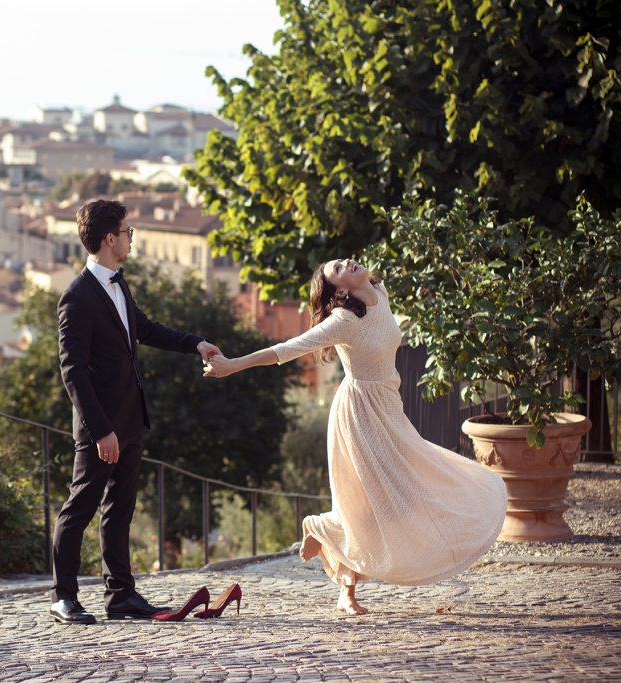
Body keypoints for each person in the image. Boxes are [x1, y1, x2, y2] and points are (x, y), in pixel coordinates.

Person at [203, 258, 506, 615]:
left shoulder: (380, 291)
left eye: (341, 261)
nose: (346, 263)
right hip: (359, 412)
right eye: (337, 270)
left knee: (404, 492)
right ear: (340, 291)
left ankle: (325, 531)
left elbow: (391, 332)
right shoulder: (344, 321)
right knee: (367, 502)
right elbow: (287, 349)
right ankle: (341, 575)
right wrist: (233, 365)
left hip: (388, 406)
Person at [50, 198, 222, 625]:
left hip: (130, 419)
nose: (131, 239)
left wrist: (195, 343)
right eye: (128, 232)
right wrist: (100, 430)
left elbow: (143, 329)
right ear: (110, 239)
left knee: (119, 512)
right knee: (79, 509)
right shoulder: (76, 298)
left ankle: (120, 596)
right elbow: (72, 371)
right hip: (101, 428)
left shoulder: (118, 284)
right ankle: (63, 597)